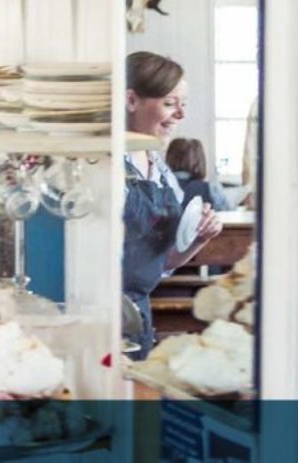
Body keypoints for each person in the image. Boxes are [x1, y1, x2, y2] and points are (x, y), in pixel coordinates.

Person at [122, 51, 223, 359]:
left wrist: (199, 238)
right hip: (103, 316)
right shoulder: (106, 165)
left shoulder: (161, 170)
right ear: (131, 101)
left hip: (138, 313)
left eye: (184, 104)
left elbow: (166, 260)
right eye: (169, 103)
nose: (180, 115)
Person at [165, 138, 233, 211]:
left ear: (169, 157)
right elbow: (227, 212)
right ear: (199, 161)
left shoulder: (156, 187)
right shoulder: (211, 188)